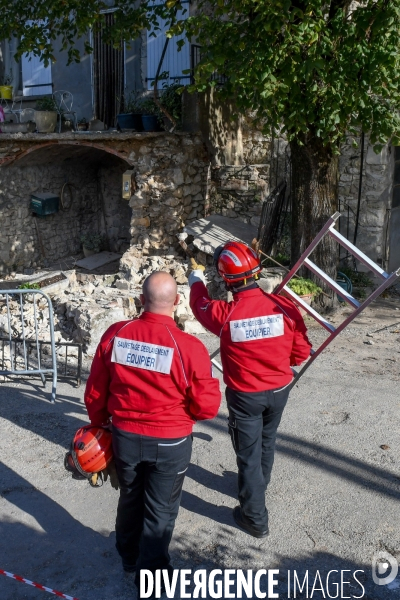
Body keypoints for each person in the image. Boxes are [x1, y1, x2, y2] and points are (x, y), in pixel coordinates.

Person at [84, 271, 221, 592]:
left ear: (141, 299)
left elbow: (95, 392)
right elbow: (206, 407)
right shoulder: (190, 347)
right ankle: (154, 580)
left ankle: (129, 560)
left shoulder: (117, 334)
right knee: (160, 511)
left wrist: (99, 423)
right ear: (177, 302)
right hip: (171, 443)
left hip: (125, 438)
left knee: (130, 497)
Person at [188, 241, 312, 538]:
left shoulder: (224, 314)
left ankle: (254, 518)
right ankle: (259, 484)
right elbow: (301, 353)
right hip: (280, 389)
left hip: (246, 397)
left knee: (248, 453)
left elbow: (198, 304)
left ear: (227, 280)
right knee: (266, 441)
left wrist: (195, 280)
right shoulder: (284, 306)